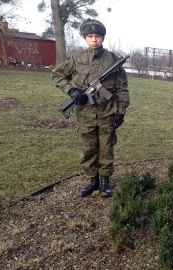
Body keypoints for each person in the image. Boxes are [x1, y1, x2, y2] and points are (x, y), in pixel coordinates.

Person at [51, 19, 130, 198]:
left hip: (107, 113)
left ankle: (105, 183)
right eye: (90, 36)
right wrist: (71, 90)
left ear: (103, 38)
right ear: (85, 38)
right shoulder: (76, 58)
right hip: (85, 113)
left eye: (98, 36)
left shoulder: (113, 60)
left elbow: (122, 88)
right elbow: (57, 75)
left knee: (106, 147)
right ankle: (92, 181)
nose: (94, 40)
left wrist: (121, 112)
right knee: (88, 148)